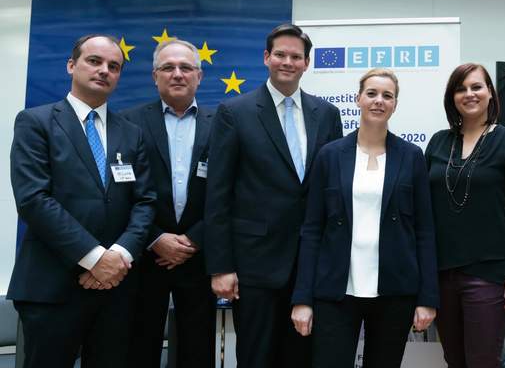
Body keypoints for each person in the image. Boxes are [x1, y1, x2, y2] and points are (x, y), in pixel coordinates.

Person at [7, 34, 156, 367]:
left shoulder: (132, 133)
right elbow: (34, 199)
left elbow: (145, 202)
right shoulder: (36, 122)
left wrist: (118, 255)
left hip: (116, 289)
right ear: (71, 65)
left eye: (113, 66)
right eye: (94, 61)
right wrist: (93, 258)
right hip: (52, 287)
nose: (104, 70)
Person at [204, 23, 343, 367]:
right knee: (257, 357)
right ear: (266, 58)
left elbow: (331, 190)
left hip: (311, 265)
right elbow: (218, 194)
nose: (288, 62)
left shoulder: (327, 114)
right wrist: (221, 266)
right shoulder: (234, 113)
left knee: (302, 358)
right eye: (280, 54)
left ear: (306, 64)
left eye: (296, 56)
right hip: (255, 267)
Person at [290, 68, 438, 368]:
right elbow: (312, 230)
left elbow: (424, 231)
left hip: (394, 291)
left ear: (395, 104)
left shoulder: (411, 156)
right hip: (336, 290)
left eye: (387, 96)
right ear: (358, 99)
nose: (378, 101)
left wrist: (427, 298)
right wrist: (302, 298)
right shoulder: (330, 155)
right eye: (371, 93)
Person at [424, 63, 505, 368]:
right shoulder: (437, 143)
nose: (469, 94)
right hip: (442, 274)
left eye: (477, 87)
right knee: (454, 361)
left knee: (482, 361)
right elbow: (423, 213)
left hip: (489, 274)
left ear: (490, 94)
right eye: (461, 88)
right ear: (452, 97)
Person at [120, 39, 216, 368]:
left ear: (199, 76)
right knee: (138, 347)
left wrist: (195, 239)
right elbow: (119, 194)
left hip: (199, 258)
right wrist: (155, 239)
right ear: (154, 76)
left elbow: (231, 192)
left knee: (197, 350)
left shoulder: (222, 124)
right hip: (144, 258)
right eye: (168, 68)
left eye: (186, 68)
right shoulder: (126, 123)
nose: (177, 74)